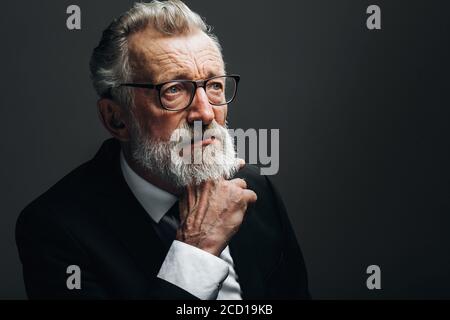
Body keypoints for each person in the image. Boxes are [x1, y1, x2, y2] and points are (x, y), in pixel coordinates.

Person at [16, 0, 310, 300]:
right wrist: (197, 250)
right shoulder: (56, 228)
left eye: (214, 86)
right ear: (116, 119)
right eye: (173, 90)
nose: (206, 114)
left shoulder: (255, 189)